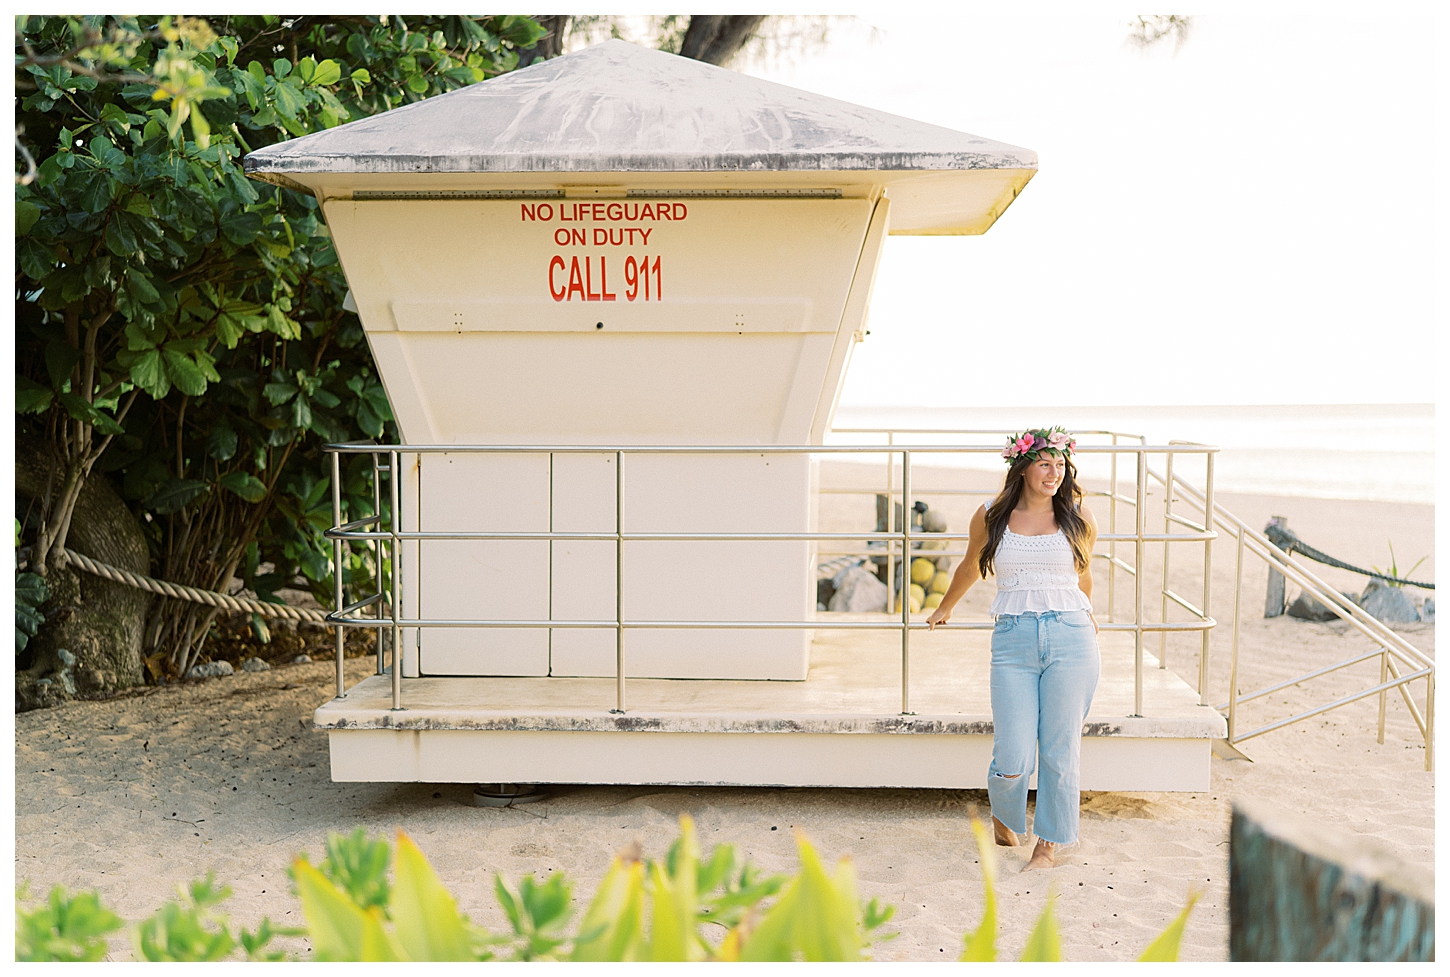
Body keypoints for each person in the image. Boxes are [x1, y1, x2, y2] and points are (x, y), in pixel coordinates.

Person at [925, 427, 1100, 871]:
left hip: (1071, 636)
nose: (1053, 473)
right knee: (1013, 753)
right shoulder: (990, 515)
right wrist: (945, 607)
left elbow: (1083, 574)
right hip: (1014, 640)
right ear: (1022, 466)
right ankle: (1006, 814)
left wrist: (1088, 613)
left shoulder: (1079, 517)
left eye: (1060, 465)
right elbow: (970, 564)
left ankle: (1048, 845)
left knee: (1060, 750)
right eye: (1044, 463)